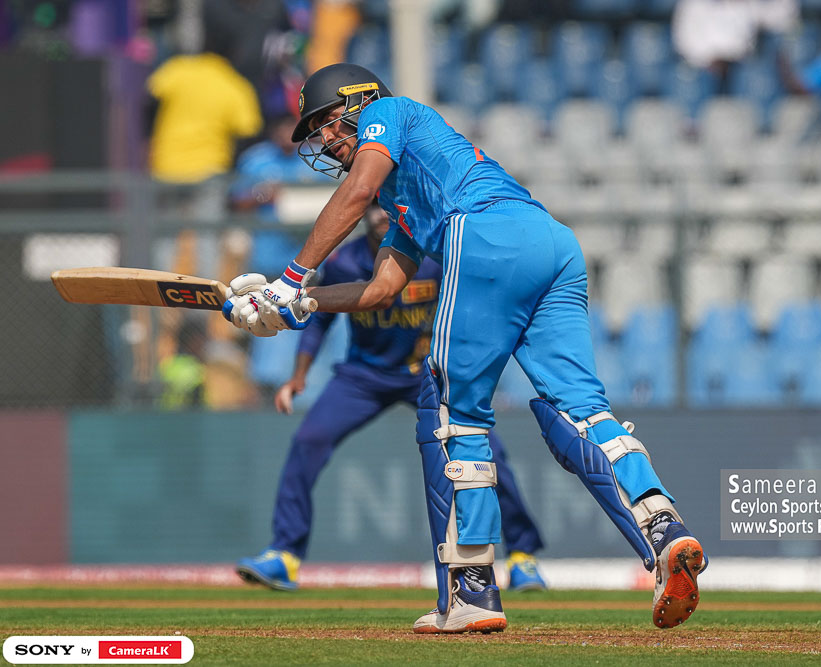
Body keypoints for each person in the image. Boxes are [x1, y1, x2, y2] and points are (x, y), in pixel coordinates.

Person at [222, 63, 705, 634]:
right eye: (316, 131)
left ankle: (470, 589)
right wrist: (300, 305)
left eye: (328, 121)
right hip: (551, 244)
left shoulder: (389, 112)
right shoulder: (407, 198)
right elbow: (380, 289)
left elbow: (357, 191)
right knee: (577, 411)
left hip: (484, 234)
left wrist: (289, 278)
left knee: (449, 411)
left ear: (359, 101)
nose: (325, 139)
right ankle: (662, 529)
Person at [236, 202, 547, 592]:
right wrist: (298, 376)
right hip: (363, 376)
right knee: (308, 441)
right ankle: (284, 555)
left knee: (488, 452)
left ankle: (522, 556)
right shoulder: (346, 263)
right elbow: (319, 320)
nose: (383, 215)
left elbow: (471, 310)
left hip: (428, 375)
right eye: (375, 208)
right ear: (363, 215)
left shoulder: (434, 259)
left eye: (391, 208)